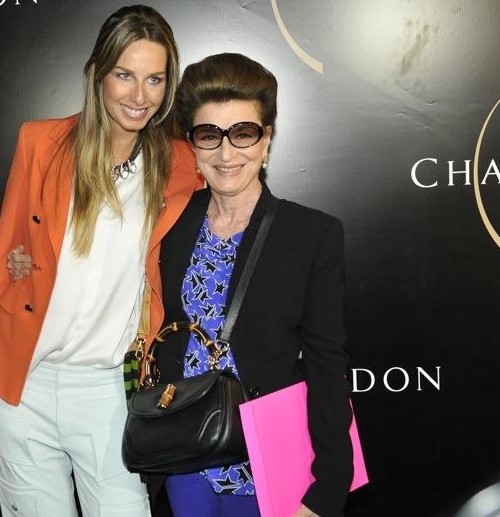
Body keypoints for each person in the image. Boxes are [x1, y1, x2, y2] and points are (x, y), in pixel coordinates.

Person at [0, 5, 201, 517]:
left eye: (155, 79)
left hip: (107, 389)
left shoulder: (181, 164)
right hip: (20, 384)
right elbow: (2, 260)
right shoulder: (41, 143)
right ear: (98, 74)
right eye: (125, 75)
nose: (139, 96)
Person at [149, 53, 354, 517]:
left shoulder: (311, 234)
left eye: (243, 133)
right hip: (184, 459)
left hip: (268, 462)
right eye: (209, 135)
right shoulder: (169, 223)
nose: (226, 154)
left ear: (267, 139)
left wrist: (328, 486)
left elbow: (326, 365)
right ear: (192, 144)